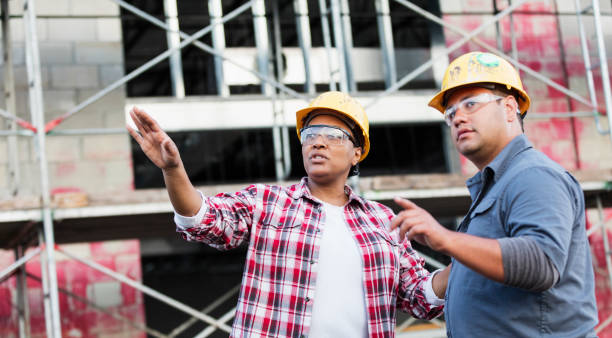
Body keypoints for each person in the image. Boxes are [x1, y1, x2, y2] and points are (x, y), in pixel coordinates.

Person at [127, 91, 447, 337]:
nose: (317, 143)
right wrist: (173, 169)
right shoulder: (268, 203)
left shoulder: (383, 221)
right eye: (310, 135)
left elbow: (420, 297)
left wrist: (460, 254)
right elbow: (204, 221)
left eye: (333, 136)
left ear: (357, 152)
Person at [391, 51, 598, 337]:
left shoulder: (533, 175)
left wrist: (446, 238)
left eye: (471, 104)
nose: (458, 117)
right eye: (450, 113)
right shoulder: (497, 186)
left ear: (510, 108)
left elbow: (541, 262)